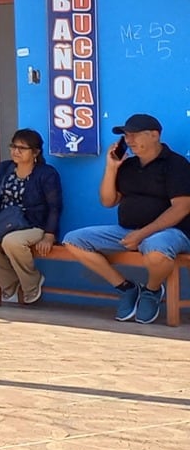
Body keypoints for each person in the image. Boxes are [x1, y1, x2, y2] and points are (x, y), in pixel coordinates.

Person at [60, 113, 190, 324]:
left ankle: (152, 290)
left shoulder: (176, 165)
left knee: (156, 251)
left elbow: (182, 208)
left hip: (169, 233)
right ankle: (126, 288)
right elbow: (108, 201)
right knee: (73, 240)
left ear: (154, 135)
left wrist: (142, 234)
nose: (129, 140)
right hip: (127, 230)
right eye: (126, 136)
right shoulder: (128, 166)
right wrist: (111, 168)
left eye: (134, 135)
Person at [0, 128, 63, 306]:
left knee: (12, 242)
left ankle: (31, 283)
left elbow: (55, 206)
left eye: (22, 148)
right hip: (3, 224)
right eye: (13, 146)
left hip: (34, 226)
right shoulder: (4, 168)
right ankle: (11, 282)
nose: (16, 151)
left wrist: (49, 235)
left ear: (35, 152)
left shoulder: (46, 173)